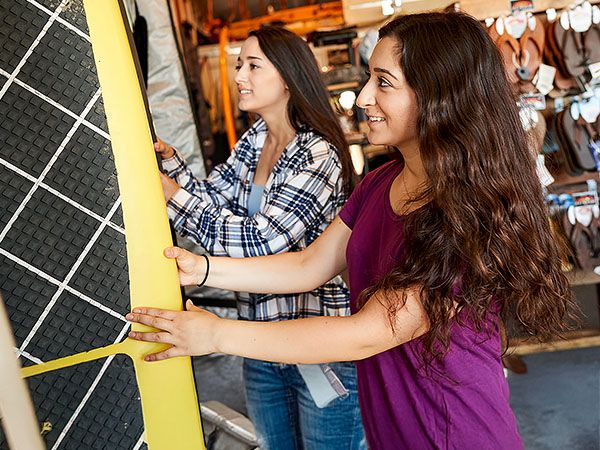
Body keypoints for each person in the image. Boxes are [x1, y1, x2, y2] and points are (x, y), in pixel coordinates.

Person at [128, 12, 577, 449]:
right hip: (391, 426)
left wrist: (216, 334)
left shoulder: (464, 212)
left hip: (452, 431)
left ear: (441, 95)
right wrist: (201, 269)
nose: (362, 98)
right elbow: (309, 265)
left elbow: (367, 331)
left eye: (383, 83)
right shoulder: (382, 181)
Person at [153, 26, 364, 450]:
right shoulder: (256, 140)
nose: (238, 76)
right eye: (238, 65)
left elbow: (264, 240)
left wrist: (174, 197)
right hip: (260, 344)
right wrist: (172, 167)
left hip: (318, 348)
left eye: (253, 65)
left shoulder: (317, 152)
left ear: (286, 76)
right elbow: (214, 198)